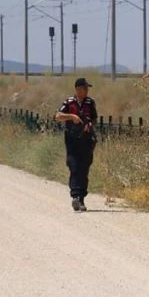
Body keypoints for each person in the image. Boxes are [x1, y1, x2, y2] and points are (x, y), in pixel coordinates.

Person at [54, 77, 98, 212]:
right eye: (84, 88)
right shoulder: (69, 102)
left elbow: (94, 119)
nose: (86, 90)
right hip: (72, 139)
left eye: (87, 88)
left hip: (86, 139)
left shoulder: (90, 102)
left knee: (84, 168)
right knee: (74, 166)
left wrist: (89, 125)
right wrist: (72, 117)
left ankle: (81, 199)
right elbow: (58, 116)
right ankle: (75, 196)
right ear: (78, 89)